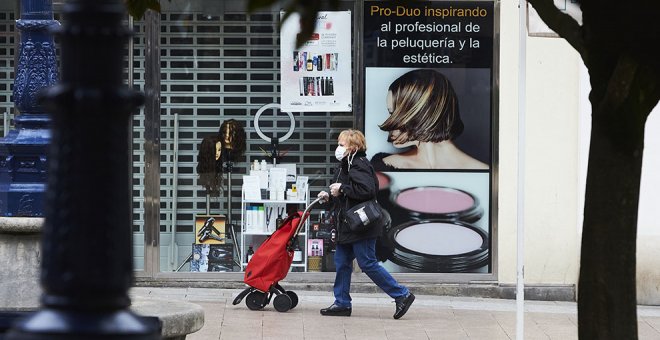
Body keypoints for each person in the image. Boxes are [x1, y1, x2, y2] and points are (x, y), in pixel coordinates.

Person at [318, 129, 415, 319]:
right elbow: (345, 195)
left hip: (362, 225)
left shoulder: (359, 164)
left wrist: (342, 189)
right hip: (349, 225)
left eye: (341, 145)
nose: (338, 148)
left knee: (367, 263)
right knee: (342, 263)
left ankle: (402, 294)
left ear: (353, 147)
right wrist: (329, 196)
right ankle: (342, 303)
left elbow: (366, 190)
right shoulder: (345, 165)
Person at [371, 69, 488, 170]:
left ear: (424, 111)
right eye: (391, 113)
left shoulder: (485, 172)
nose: (390, 122)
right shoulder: (383, 166)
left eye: (394, 113)